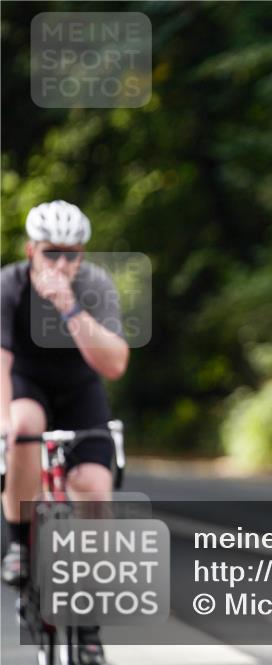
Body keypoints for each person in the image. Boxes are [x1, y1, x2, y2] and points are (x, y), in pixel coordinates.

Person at [1, 200, 129, 665]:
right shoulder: (9, 285)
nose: (62, 264)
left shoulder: (94, 285)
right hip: (27, 387)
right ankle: (18, 542)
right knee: (25, 427)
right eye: (52, 253)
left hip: (80, 392)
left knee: (94, 489)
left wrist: (68, 305)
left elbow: (114, 364)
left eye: (72, 254)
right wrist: (4, 422)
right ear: (32, 249)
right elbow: (2, 361)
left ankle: (89, 627)